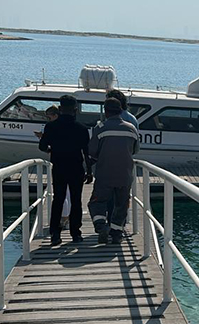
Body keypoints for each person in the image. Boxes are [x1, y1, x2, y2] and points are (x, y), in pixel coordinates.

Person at [39, 95, 92, 245]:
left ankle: (55, 234)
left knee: (58, 199)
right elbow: (86, 153)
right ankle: (76, 233)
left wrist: (52, 150)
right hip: (76, 168)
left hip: (59, 167)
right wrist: (89, 171)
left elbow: (42, 146)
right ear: (75, 110)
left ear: (60, 109)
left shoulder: (51, 127)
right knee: (76, 200)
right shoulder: (82, 128)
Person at [88, 97, 139, 244]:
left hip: (105, 174)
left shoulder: (101, 128)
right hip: (125, 174)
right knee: (121, 205)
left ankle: (101, 226)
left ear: (106, 111)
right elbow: (135, 150)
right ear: (121, 110)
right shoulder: (132, 128)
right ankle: (116, 234)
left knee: (97, 202)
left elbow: (92, 151)